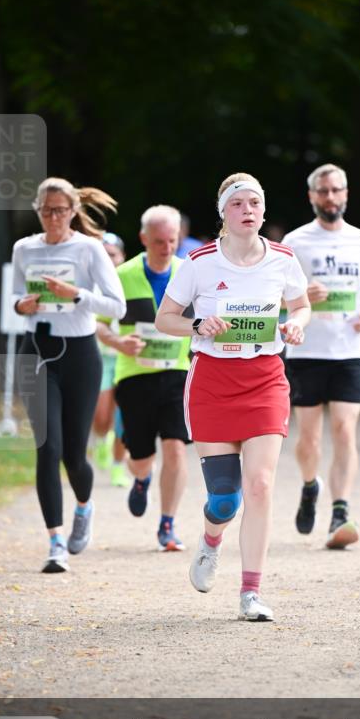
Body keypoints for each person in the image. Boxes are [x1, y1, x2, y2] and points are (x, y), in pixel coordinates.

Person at [155, 172, 310, 621]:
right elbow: (166, 318)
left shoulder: (282, 259)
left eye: (255, 203)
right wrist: (198, 326)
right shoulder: (200, 262)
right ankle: (210, 539)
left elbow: (300, 304)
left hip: (265, 378)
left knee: (260, 485)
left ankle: (250, 594)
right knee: (225, 499)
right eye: (238, 203)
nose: (248, 210)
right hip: (212, 384)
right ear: (223, 212)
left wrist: (298, 322)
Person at [12, 178, 126, 573]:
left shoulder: (90, 248)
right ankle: (55, 543)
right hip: (37, 353)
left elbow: (118, 306)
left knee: (74, 455)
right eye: (46, 210)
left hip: (79, 355)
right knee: (48, 447)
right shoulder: (24, 248)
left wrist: (74, 293)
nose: (53, 217)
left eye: (60, 210)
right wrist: (22, 305)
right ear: (38, 211)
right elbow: (15, 299)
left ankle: (84, 506)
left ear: (74, 210)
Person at [284, 164, 360, 549]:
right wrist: (301, 296)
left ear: (346, 194)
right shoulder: (295, 242)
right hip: (306, 349)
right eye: (323, 191)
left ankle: (340, 510)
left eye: (336, 190)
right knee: (309, 440)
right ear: (311, 196)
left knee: (344, 430)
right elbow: (275, 296)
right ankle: (311, 486)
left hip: (349, 350)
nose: (330, 197)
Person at [113, 205, 192, 551]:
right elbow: (97, 324)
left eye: (172, 240)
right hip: (135, 376)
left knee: (176, 449)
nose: (166, 247)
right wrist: (117, 341)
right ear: (144, 239)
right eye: (159, 241)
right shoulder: (122, 275)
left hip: (178, 373)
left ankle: (167, 524)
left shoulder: (189, 274)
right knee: (141, 456)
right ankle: (141, 479)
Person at [92, 233, 130, 487]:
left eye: (113, 254)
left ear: (122, 256)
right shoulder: (91, 284)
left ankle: (118, 467)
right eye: (103, 254)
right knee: (102, 417)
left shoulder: (131, 281)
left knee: (124, 417)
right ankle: (100, 439)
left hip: (128, 359)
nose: (109, 259)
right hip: (100, 358)